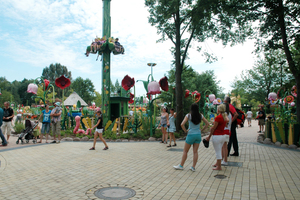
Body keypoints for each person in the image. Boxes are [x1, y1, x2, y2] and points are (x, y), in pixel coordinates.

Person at [173, 103, 209, 171]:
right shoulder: (200, 116)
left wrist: (186, 131)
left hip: (191, 134)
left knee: (185, 151)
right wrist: (202, 130)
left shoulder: (188, 115)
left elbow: (182, 124)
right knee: (195, 152)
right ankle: (193, 167)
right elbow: (207, 124)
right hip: (198, 134)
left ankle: (181, 165)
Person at [206, 104, 229, 170]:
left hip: (217, 136)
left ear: (219, 109)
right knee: (219, 150)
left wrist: (209, 136)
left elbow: (214, 128)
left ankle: (219, 166)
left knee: (218, 152)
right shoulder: (224, 117)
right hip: (222, 135)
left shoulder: (218, 117)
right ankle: (217, 163)